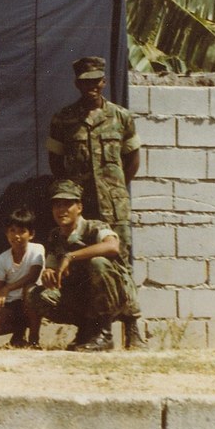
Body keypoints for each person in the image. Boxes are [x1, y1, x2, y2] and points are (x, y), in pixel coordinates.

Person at [46, 56, 146, 348]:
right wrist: (75, 197)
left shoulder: (121, 117)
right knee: (84, 270)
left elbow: (132, 161)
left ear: (104, 82)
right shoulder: (63, 120)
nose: (92, 87)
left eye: (97, 81)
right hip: (82, 209)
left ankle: (133, 327)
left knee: (122, 266)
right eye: (85, 81)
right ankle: (92, 330)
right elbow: (56, 163)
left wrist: (112, 189)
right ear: (78, 84)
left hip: (114, 207)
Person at [26, 179, 138, 352]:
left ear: (79, 207)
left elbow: (112, 246)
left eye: (67, 205)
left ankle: (104, 334)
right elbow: (51, 265)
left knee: (98, 263)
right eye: (57, 205)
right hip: (84, 297)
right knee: (37, 296)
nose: (61, 210)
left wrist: (71, 256)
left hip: (118, 295)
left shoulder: (94, 227)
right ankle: (85, 331)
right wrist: (48, 274)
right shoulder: (56, 235)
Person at [0, 208, 44, 347]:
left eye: (22, 231)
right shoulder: (2, 259)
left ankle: (33, 339)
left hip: (31, 300)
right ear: (6, 233)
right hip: (12, 302)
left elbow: (33, 276)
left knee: (29, 290)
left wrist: (8, 288)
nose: (16, 236)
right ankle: (18, 336)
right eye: (12, 230)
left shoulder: (37, 249)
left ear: (31, 234)